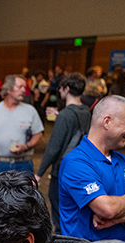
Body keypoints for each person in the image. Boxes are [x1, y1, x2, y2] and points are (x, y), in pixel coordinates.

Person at [59, 95, 125, 242]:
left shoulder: (123, 160)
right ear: (107, 122)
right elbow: (107, 209)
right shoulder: (76, 162)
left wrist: (119, 219)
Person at [35, 73, 91, 234]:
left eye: (60, 88)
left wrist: (39, 173)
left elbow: (53, 148)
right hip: (80, 166)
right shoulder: (86, 111)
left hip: (62, 169)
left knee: (59, 212)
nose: (59, 91)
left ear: (67, 89)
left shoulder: (66, 115)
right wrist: (60, 116)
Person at [0, 74, 44, 175]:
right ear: (8, 89)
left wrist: (26, 146)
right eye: (20, 87)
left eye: (24, 87)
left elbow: (39, 136)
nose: (24, 90)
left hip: (24, 164)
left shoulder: (30, 111)